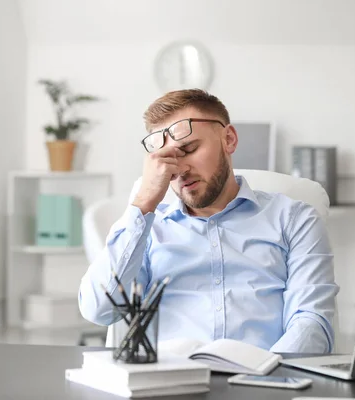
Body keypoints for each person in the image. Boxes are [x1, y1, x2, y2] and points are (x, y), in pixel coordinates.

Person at [78, 89, 339, 353]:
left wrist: (266, 376)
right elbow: (98, 310)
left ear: (229, 139)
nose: (178, 169)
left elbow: (311, 321)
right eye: (166, 159)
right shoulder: (147, 228)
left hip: (263, 381)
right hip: (170, 382)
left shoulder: (295, 219)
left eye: (189, 149)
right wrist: (144, 203)